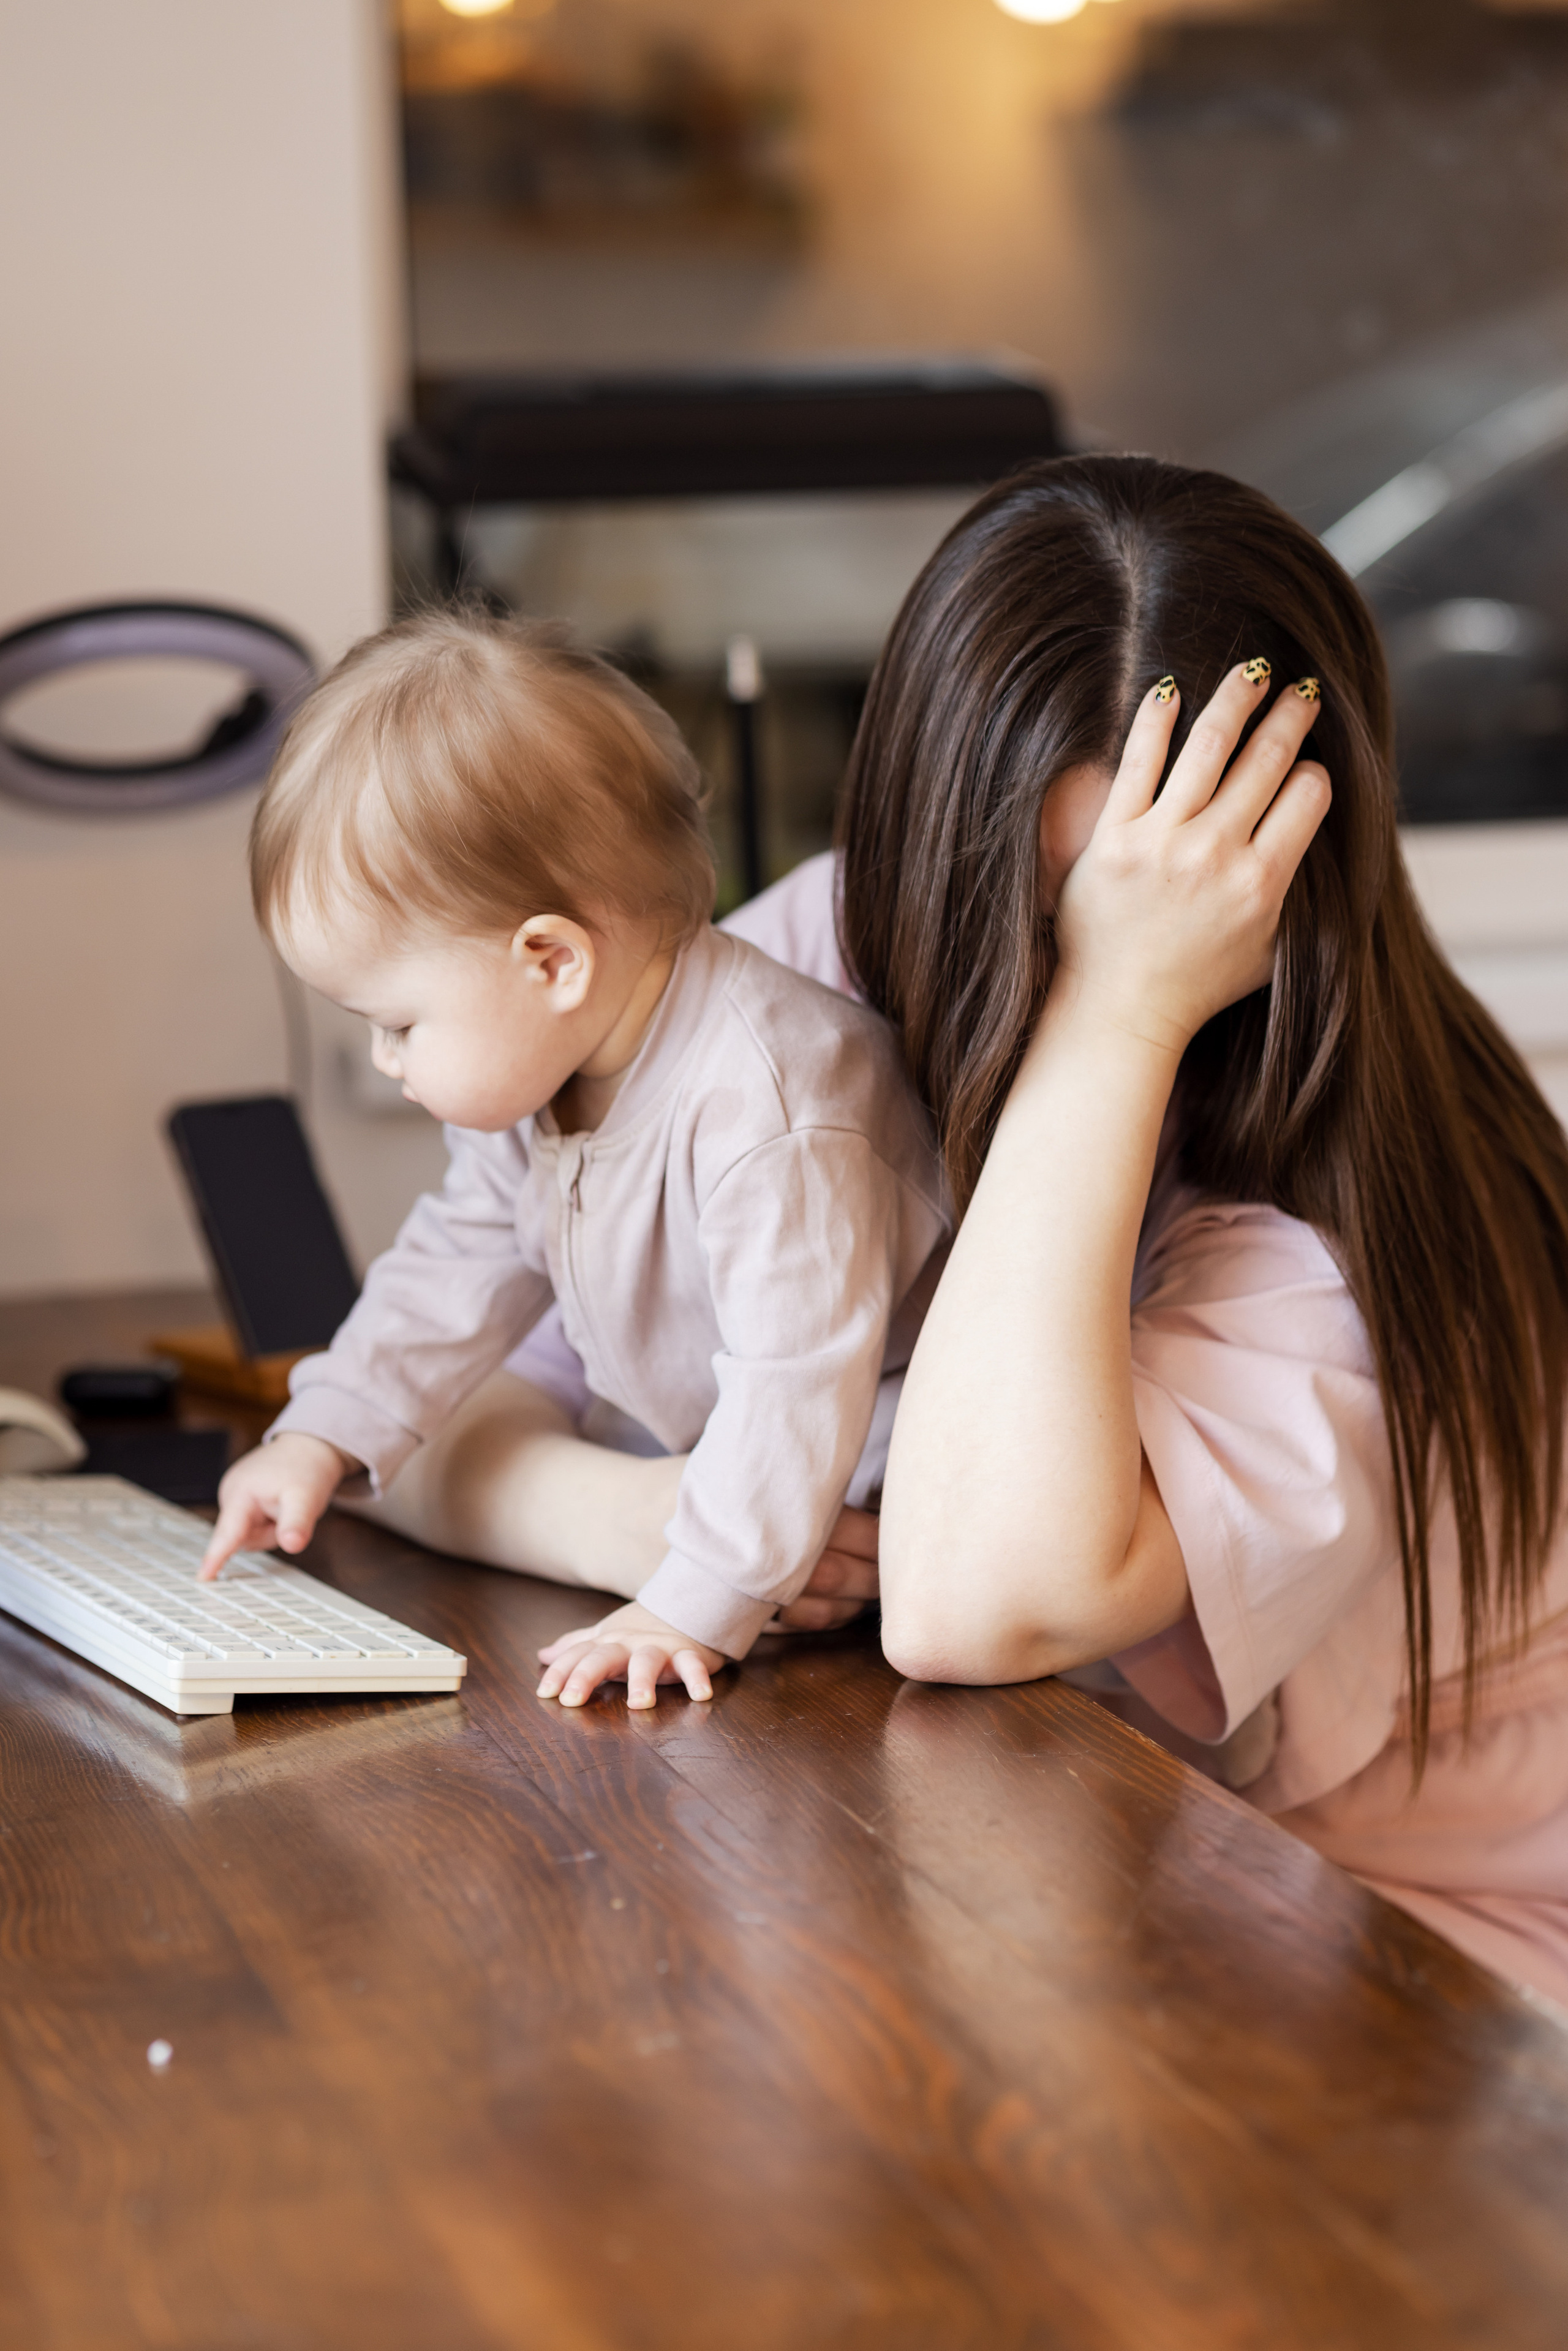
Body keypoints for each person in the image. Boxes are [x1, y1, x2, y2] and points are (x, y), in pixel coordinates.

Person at [372, 457, 1568, 2009]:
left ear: (1267, 891)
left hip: (1429, 1960)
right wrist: (658, 1524)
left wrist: (1119, 1009)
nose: (1059, 953)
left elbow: (968, 1602)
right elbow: (412, 1411)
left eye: (1140, 906)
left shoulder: (1328, 1236)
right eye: (1031, 902)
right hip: (1132, 1881)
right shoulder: (818, 972)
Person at [197, 611, 948, 1711]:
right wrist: (322, 1431)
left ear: (550, 959)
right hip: (739, 1474)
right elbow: (457, 1260)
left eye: (399, 1021)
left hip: (876, 1463)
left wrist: (689, 1599)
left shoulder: (775, 1107)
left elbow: (797, 1384)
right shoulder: (545, 1070)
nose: (383, 1056)